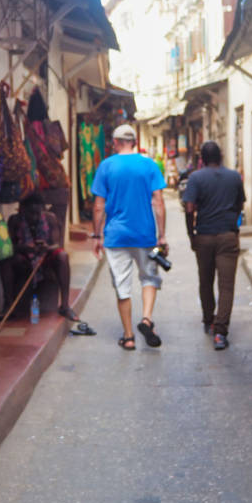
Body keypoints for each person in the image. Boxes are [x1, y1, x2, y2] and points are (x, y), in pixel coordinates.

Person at [91, 124, 167, 350]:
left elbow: (98, 206)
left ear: (115, 143)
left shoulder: (106, 166)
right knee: (149, 278)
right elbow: (159, 202)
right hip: (145, 234)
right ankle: (146, 319)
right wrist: (162, 236)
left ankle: (129, 337)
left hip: (116, 236)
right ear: (134, 142)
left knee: (122, 286)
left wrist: (97, 236)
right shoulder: (149, 165)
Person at [182, 141, 245, 350]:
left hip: (205, 236)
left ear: (202, 159)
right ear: (221, 157)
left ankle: (209, 320)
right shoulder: (234, 177)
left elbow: (189, 208)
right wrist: (232, 224)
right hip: (227, 235)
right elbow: (239, 204)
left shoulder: (195, 178)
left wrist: (191, 234)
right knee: (226, 286)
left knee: (205, 280)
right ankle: (220, 333)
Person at [0, 193, 92, 331]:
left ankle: (65, 306)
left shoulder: (50, 218)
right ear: (22, 210)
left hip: (44, 258)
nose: (35, 217)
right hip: (24, 259)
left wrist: (46, 248)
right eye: (31, 214)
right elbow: (9, 247)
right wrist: (24, 247)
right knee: (7, 260)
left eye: (37, 213)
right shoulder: (14, 220)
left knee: (63, 256)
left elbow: (56, 245)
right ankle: (8, 306)